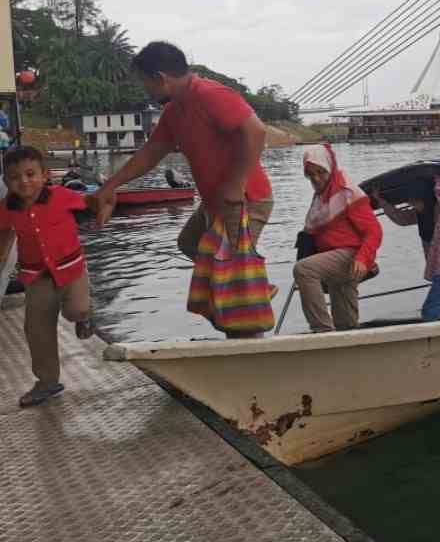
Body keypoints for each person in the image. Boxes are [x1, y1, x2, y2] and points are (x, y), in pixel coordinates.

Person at [93, 42, 273, 261]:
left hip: (245, 199)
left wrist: (236, 184)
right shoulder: (173, 111)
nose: (145, 88)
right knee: (189, 243)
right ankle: (239, 287)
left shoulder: (210, 93)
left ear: (160, 78)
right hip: (214, 201)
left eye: (144, 81)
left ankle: (252, 291)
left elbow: (256, 131)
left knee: (235, 270)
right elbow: (149, 154)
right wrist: (110, 186)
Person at [0, 146, 98, 407]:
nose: (23, 181)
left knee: (75, 311)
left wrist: (102, 207)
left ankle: (86, 313)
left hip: (72, 269)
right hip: (36, 277)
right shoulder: (7, 208)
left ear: (44, 175)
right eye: (14, 177)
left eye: (30, 174)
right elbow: (4, 232)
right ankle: (47, 383)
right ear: (6, 181)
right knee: (37, 330)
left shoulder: (63, 196)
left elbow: (92, 206)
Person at [294, 144, 382, 332]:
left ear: (330, 168)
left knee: (304, 270)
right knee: (346, 325)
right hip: (335, 260)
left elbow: (374, 230)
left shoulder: (346, 192)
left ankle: (322, 330)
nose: (316, 178)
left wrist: (362, 258)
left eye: (321, 172)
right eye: (311, 174)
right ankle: (343, 340)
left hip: (350, 255)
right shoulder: (321, 197)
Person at [373, 174, 440, 320]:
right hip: (437, 268)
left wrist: (438, 178)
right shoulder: (418, 215)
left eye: (415, 200)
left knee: (430, 311)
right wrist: (381, 201)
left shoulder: (439, 213)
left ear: (426, 198)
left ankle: (430, 335)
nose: (411, 203)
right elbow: (399, 218)